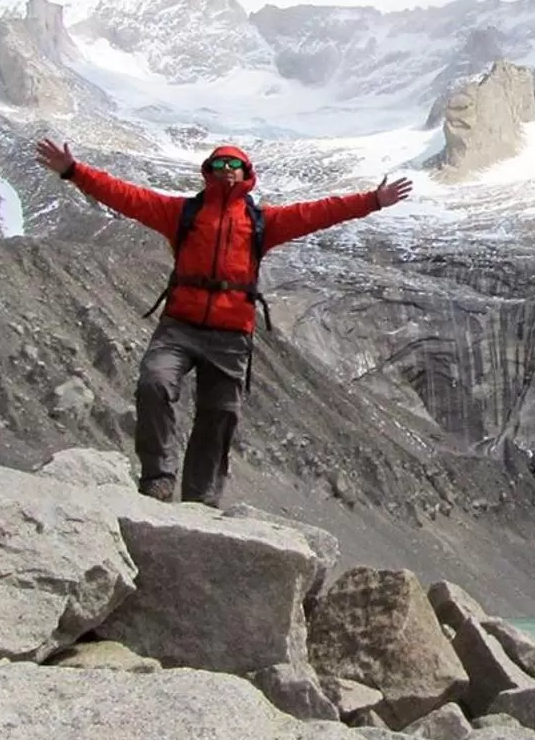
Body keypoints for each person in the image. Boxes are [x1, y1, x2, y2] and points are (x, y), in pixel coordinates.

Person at [35, 137, 412, 507]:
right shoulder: (181, 213)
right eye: (219, 165)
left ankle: (200, 501)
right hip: (179, 326)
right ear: (207, 173)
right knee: (155, 382)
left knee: (220, 415)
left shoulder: (262, 222)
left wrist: (373, 201)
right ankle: (158, 478)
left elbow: (318, 212)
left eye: (234, 165)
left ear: (247, 173)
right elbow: (126, 196)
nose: (227, 171)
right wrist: (73, 171)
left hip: (230, 335)